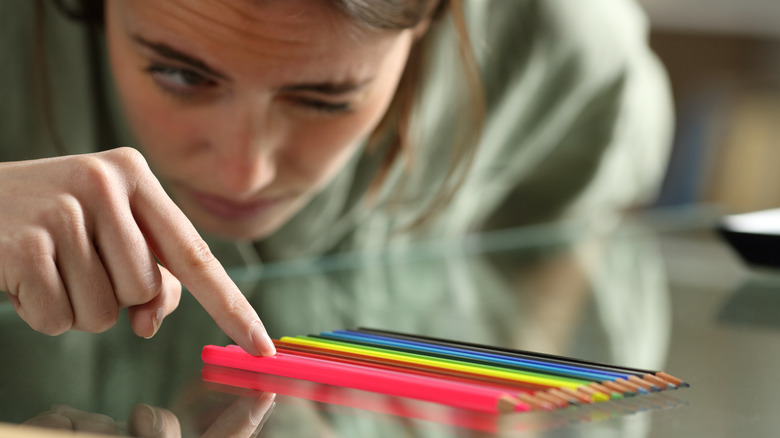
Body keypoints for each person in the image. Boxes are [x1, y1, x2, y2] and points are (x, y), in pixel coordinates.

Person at [0, 0, 673, 355]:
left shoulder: (567, 39)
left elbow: (576, 230)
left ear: (435, 17)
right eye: (179, 74)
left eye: (324, 100)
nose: (245, 172)